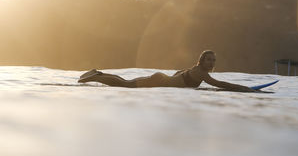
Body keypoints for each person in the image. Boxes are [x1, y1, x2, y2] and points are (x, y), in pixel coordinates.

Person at [78, 50, 255, 92]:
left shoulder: (194, 69)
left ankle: (97, 73)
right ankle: (95, 77)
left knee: (126, 82)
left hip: (160, 79)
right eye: (208, 59)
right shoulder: (201, 73)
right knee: (125, 85)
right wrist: (248, 89)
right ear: (201, 61)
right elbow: (221, 84)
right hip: (158, 81)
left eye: (214, 60)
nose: (211, 62)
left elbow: (179, 74)